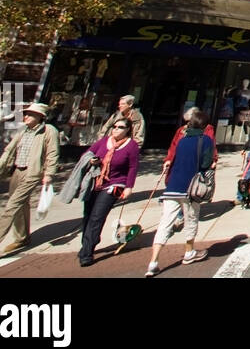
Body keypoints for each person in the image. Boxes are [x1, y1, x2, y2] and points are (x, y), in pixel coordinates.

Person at [0, 102, 60, 259]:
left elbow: (53, 154)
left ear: (40, 116)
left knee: (12, 205)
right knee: (20, 205)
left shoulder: (49, 131)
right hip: (18, 170)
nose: (25, 116)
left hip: (33, 172)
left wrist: (49, 174)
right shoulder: (24, 131)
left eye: (30, 114)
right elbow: (9, 150)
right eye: (25, 114)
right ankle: (22, 237)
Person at [145, 109, 216, 277]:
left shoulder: (183, 140)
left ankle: (153, 261)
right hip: (190, 188)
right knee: (191, 219)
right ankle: (189, 251)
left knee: (165, 223)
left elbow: (173, 156)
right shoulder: (205, 140)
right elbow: (206, 163)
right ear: (204, 125)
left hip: (173, 186)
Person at [77, 117, 139, 267]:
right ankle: (88, 242)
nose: (116, 129)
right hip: (95, 182)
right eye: (115, 126)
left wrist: (129, 186)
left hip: (115, 185)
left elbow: (133, 167)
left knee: (97, 216)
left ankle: (87, 253)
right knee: (88, 215)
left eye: (120, 127)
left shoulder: (132, 146)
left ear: (128, 130)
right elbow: (88, 153)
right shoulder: (104, 141)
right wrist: (92, 160)